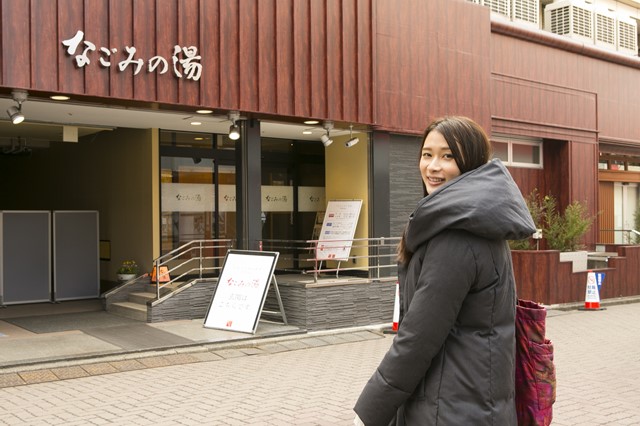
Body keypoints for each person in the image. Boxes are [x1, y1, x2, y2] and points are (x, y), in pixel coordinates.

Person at [353, 116, 536, 425]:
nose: (433, 166)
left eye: (448, 156)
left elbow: (418, 338)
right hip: (470, 400)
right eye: (427, 154)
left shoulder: (457, 236)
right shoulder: (475, 223)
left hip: (452, 409)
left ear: (471, 164)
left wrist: (370, 412)